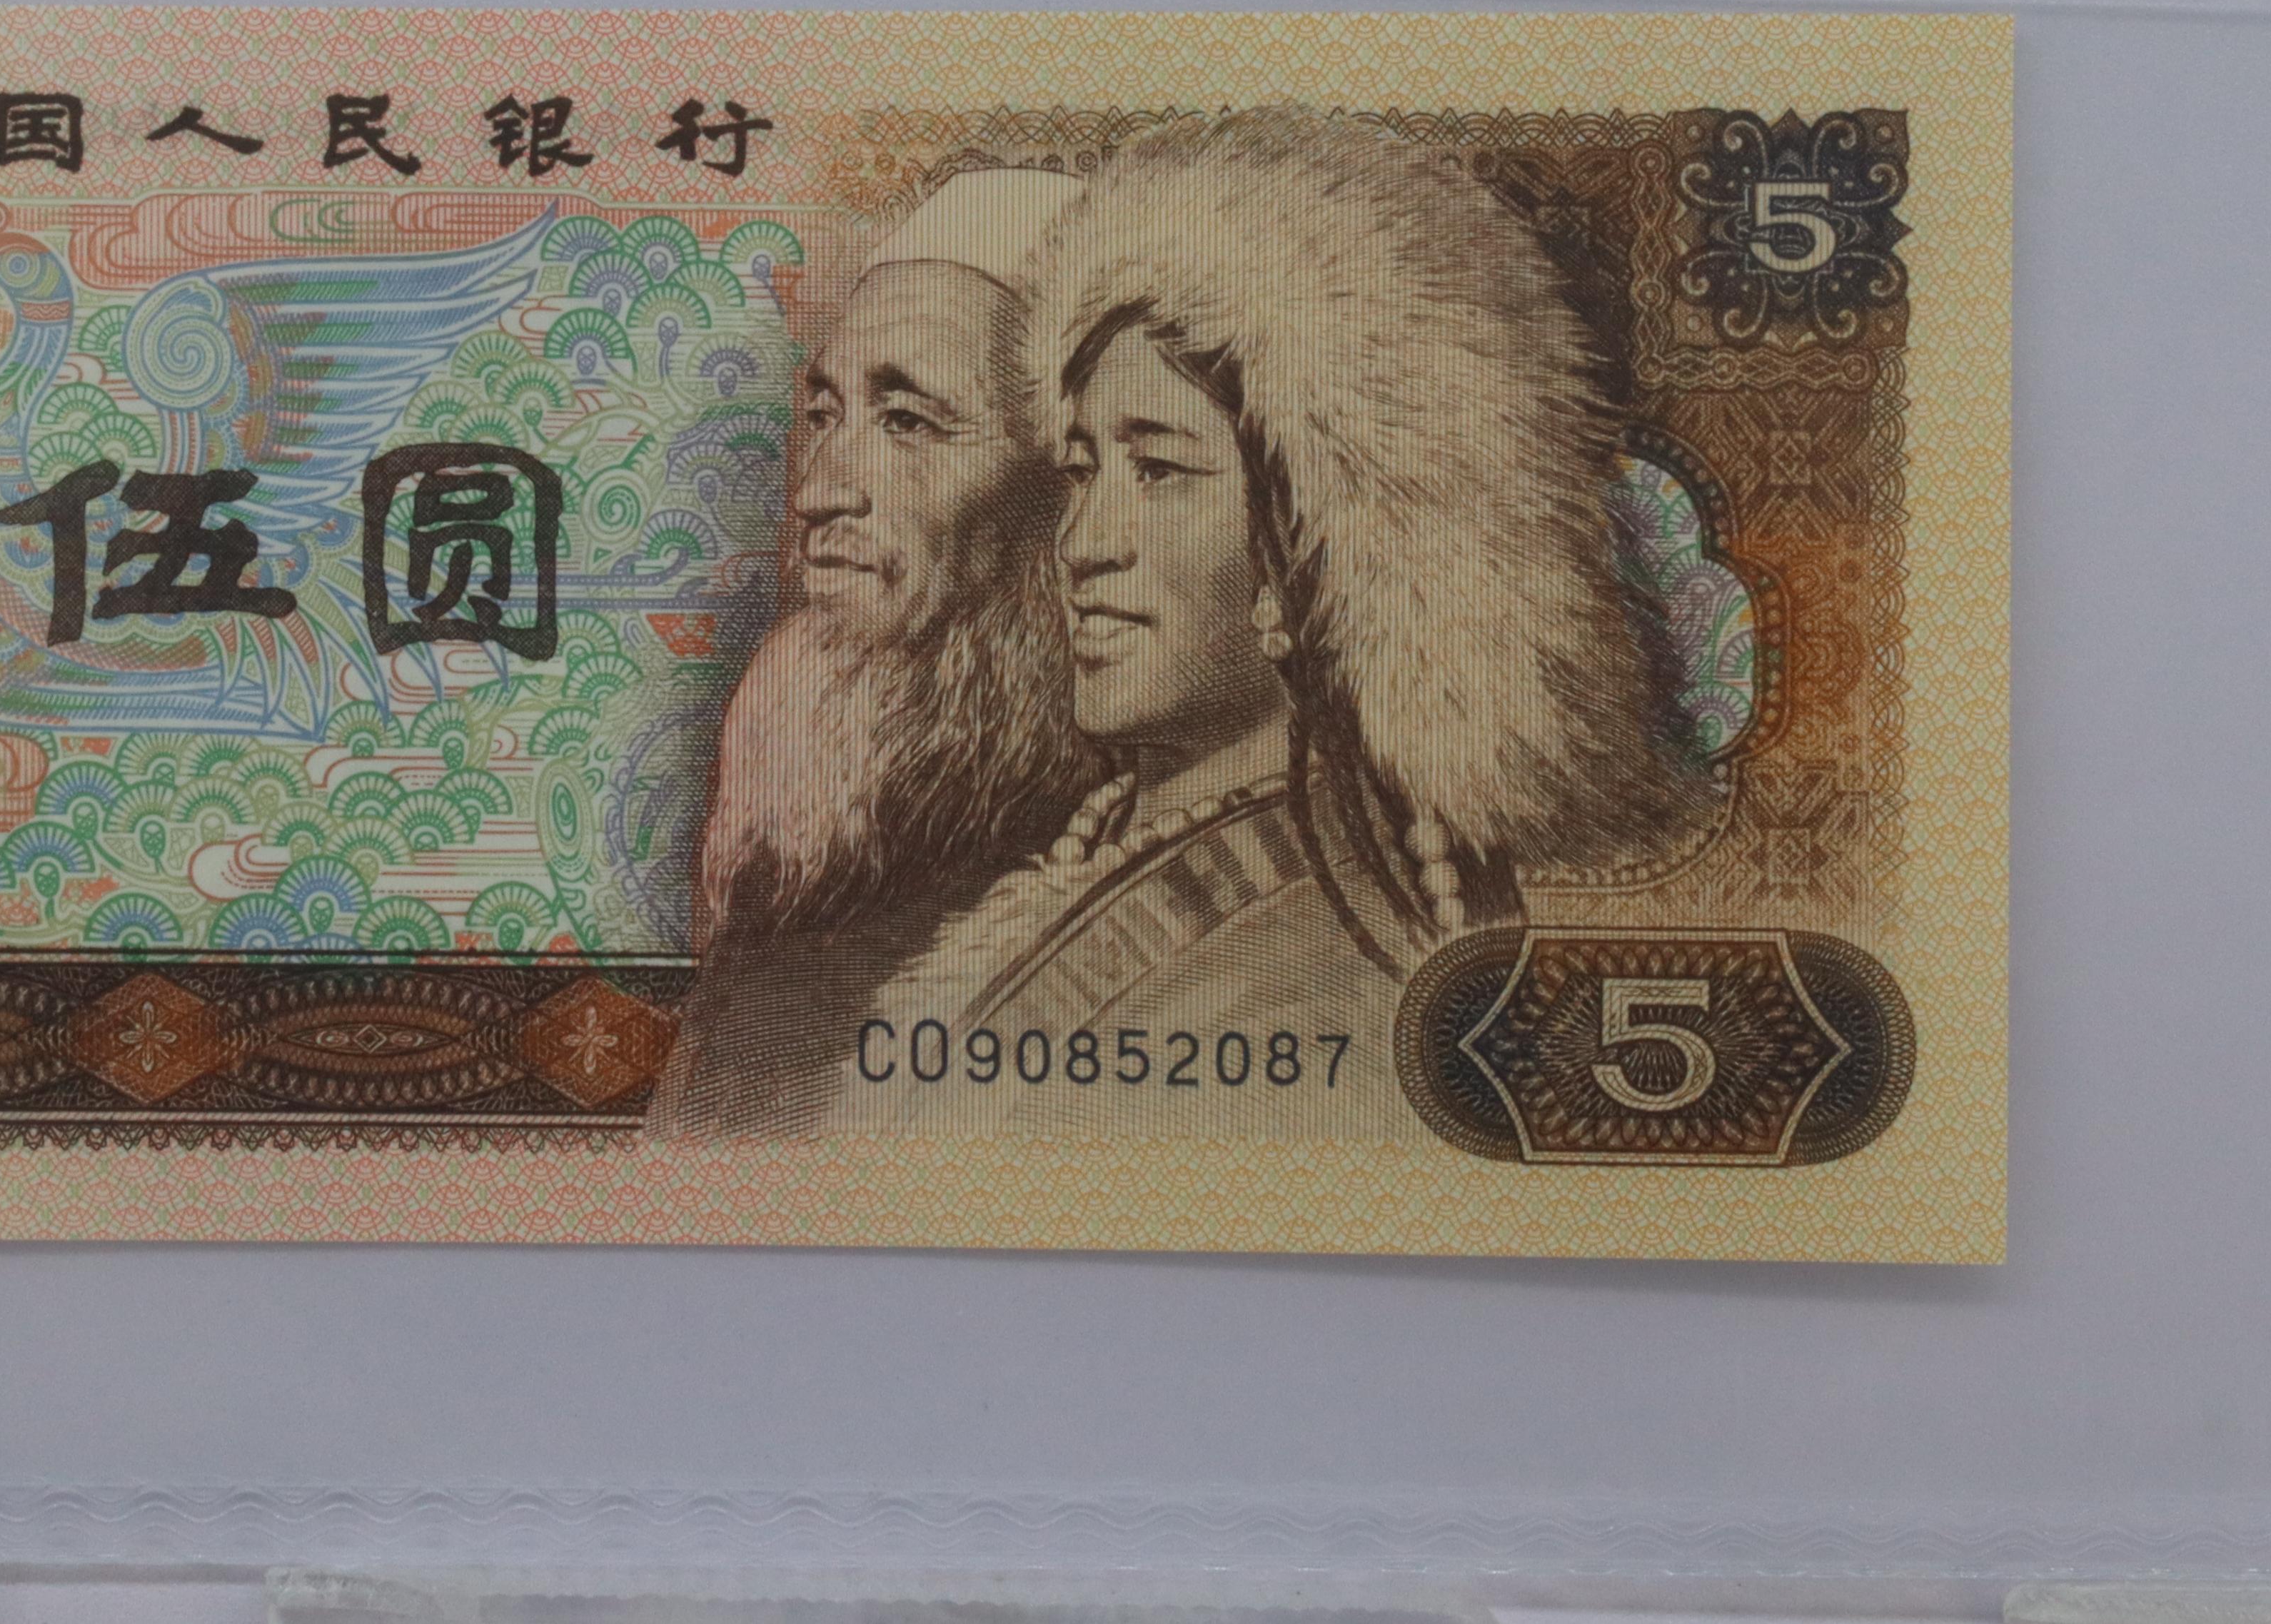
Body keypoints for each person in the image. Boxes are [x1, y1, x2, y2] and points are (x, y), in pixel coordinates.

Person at [827, 110, 1694, 1136]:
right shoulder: (1132, 845)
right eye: (1082, 470)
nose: (1083, 542)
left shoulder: (1317, 965)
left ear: (1311, 544)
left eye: (1160, 470)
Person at [649, 168, 1095, 1136]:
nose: (819, 492)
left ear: (1063, 492)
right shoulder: (804, 848)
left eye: (907, 421)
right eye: (824, 416)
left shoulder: (1090, 881)